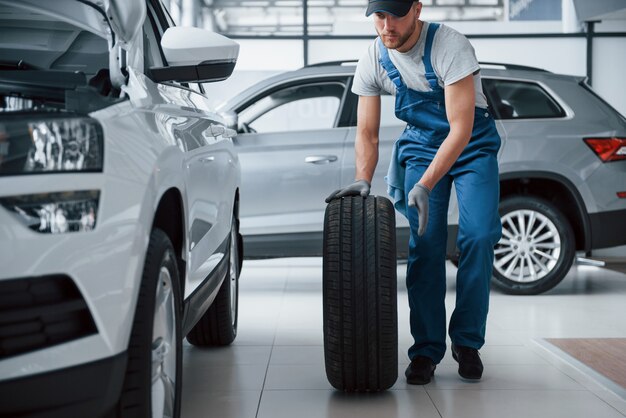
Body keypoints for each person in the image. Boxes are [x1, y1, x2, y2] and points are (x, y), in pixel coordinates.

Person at [326, 0, 502, 384]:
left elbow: (460, 128)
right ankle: (426, 349)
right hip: (422, 146)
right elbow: (367, 132)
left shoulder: (450, 46)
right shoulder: (373, 57)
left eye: (396, 14)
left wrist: (424, 184)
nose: (386, 25)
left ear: (417, 9)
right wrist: (362, 177)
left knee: (480, 235)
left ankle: (467, 342)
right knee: (425, 245)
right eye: (379, 15)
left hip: (470, 143)